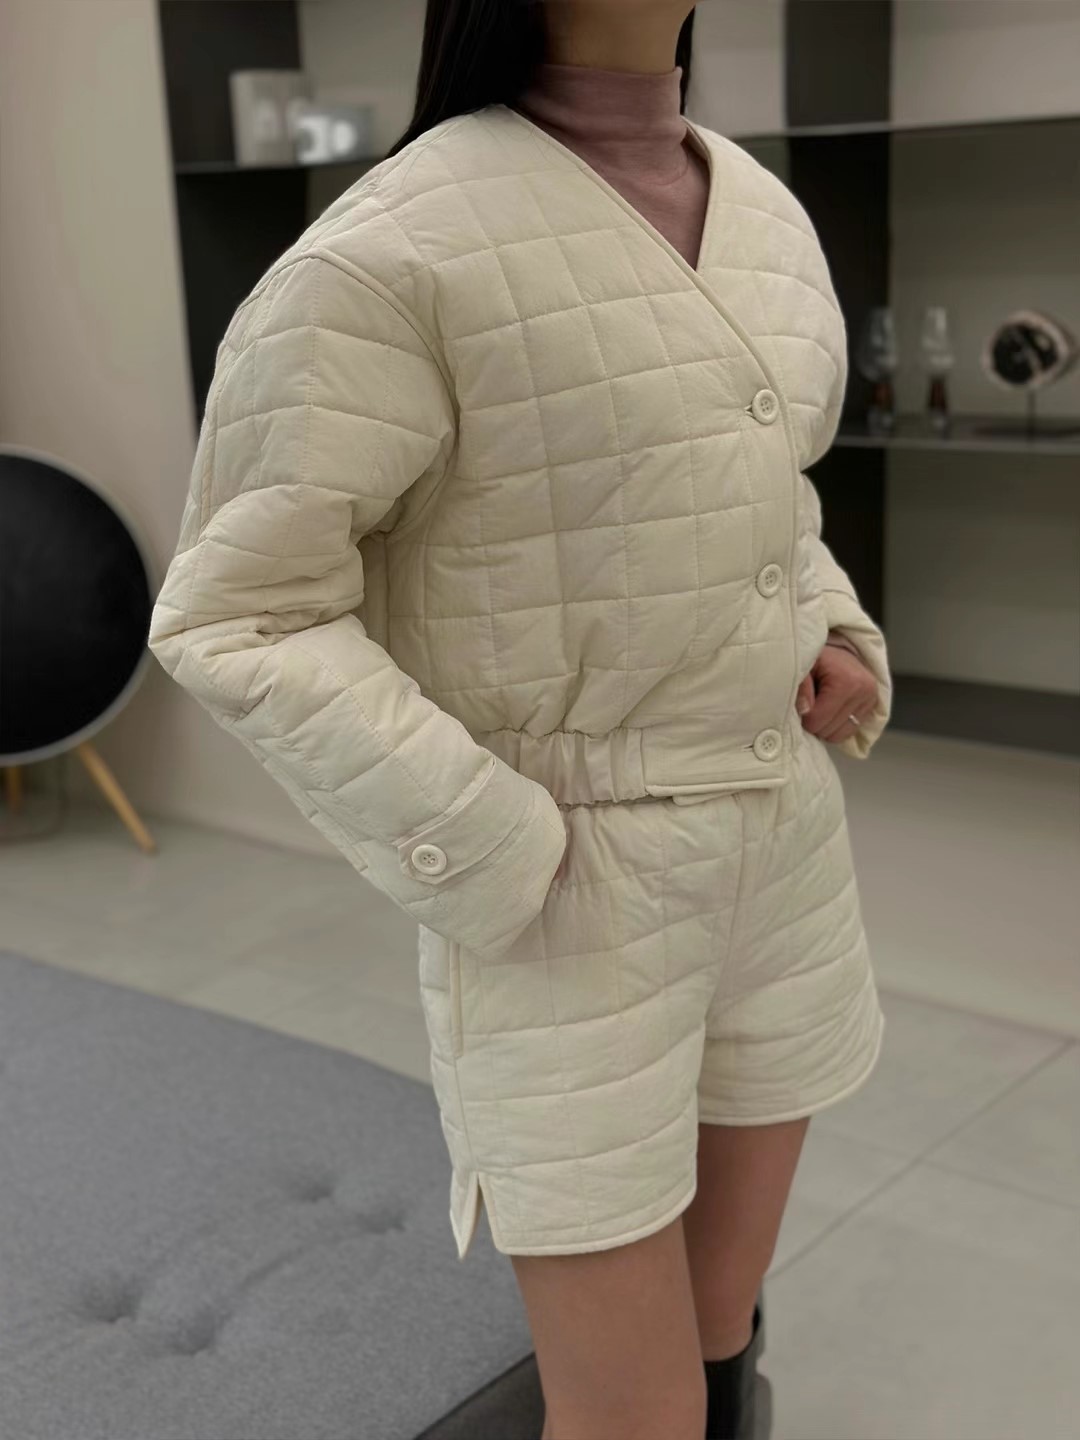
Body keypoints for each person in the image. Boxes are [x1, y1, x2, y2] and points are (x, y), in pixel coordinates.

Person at [149, 2, 893, 1436]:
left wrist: (832, 629)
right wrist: (489, 840)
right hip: (575, 897)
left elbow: (762, 488)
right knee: (631, 1415)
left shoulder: (762, 210)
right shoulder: (393, 247)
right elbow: (240, 610)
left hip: (785, 854)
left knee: (724, 1332)